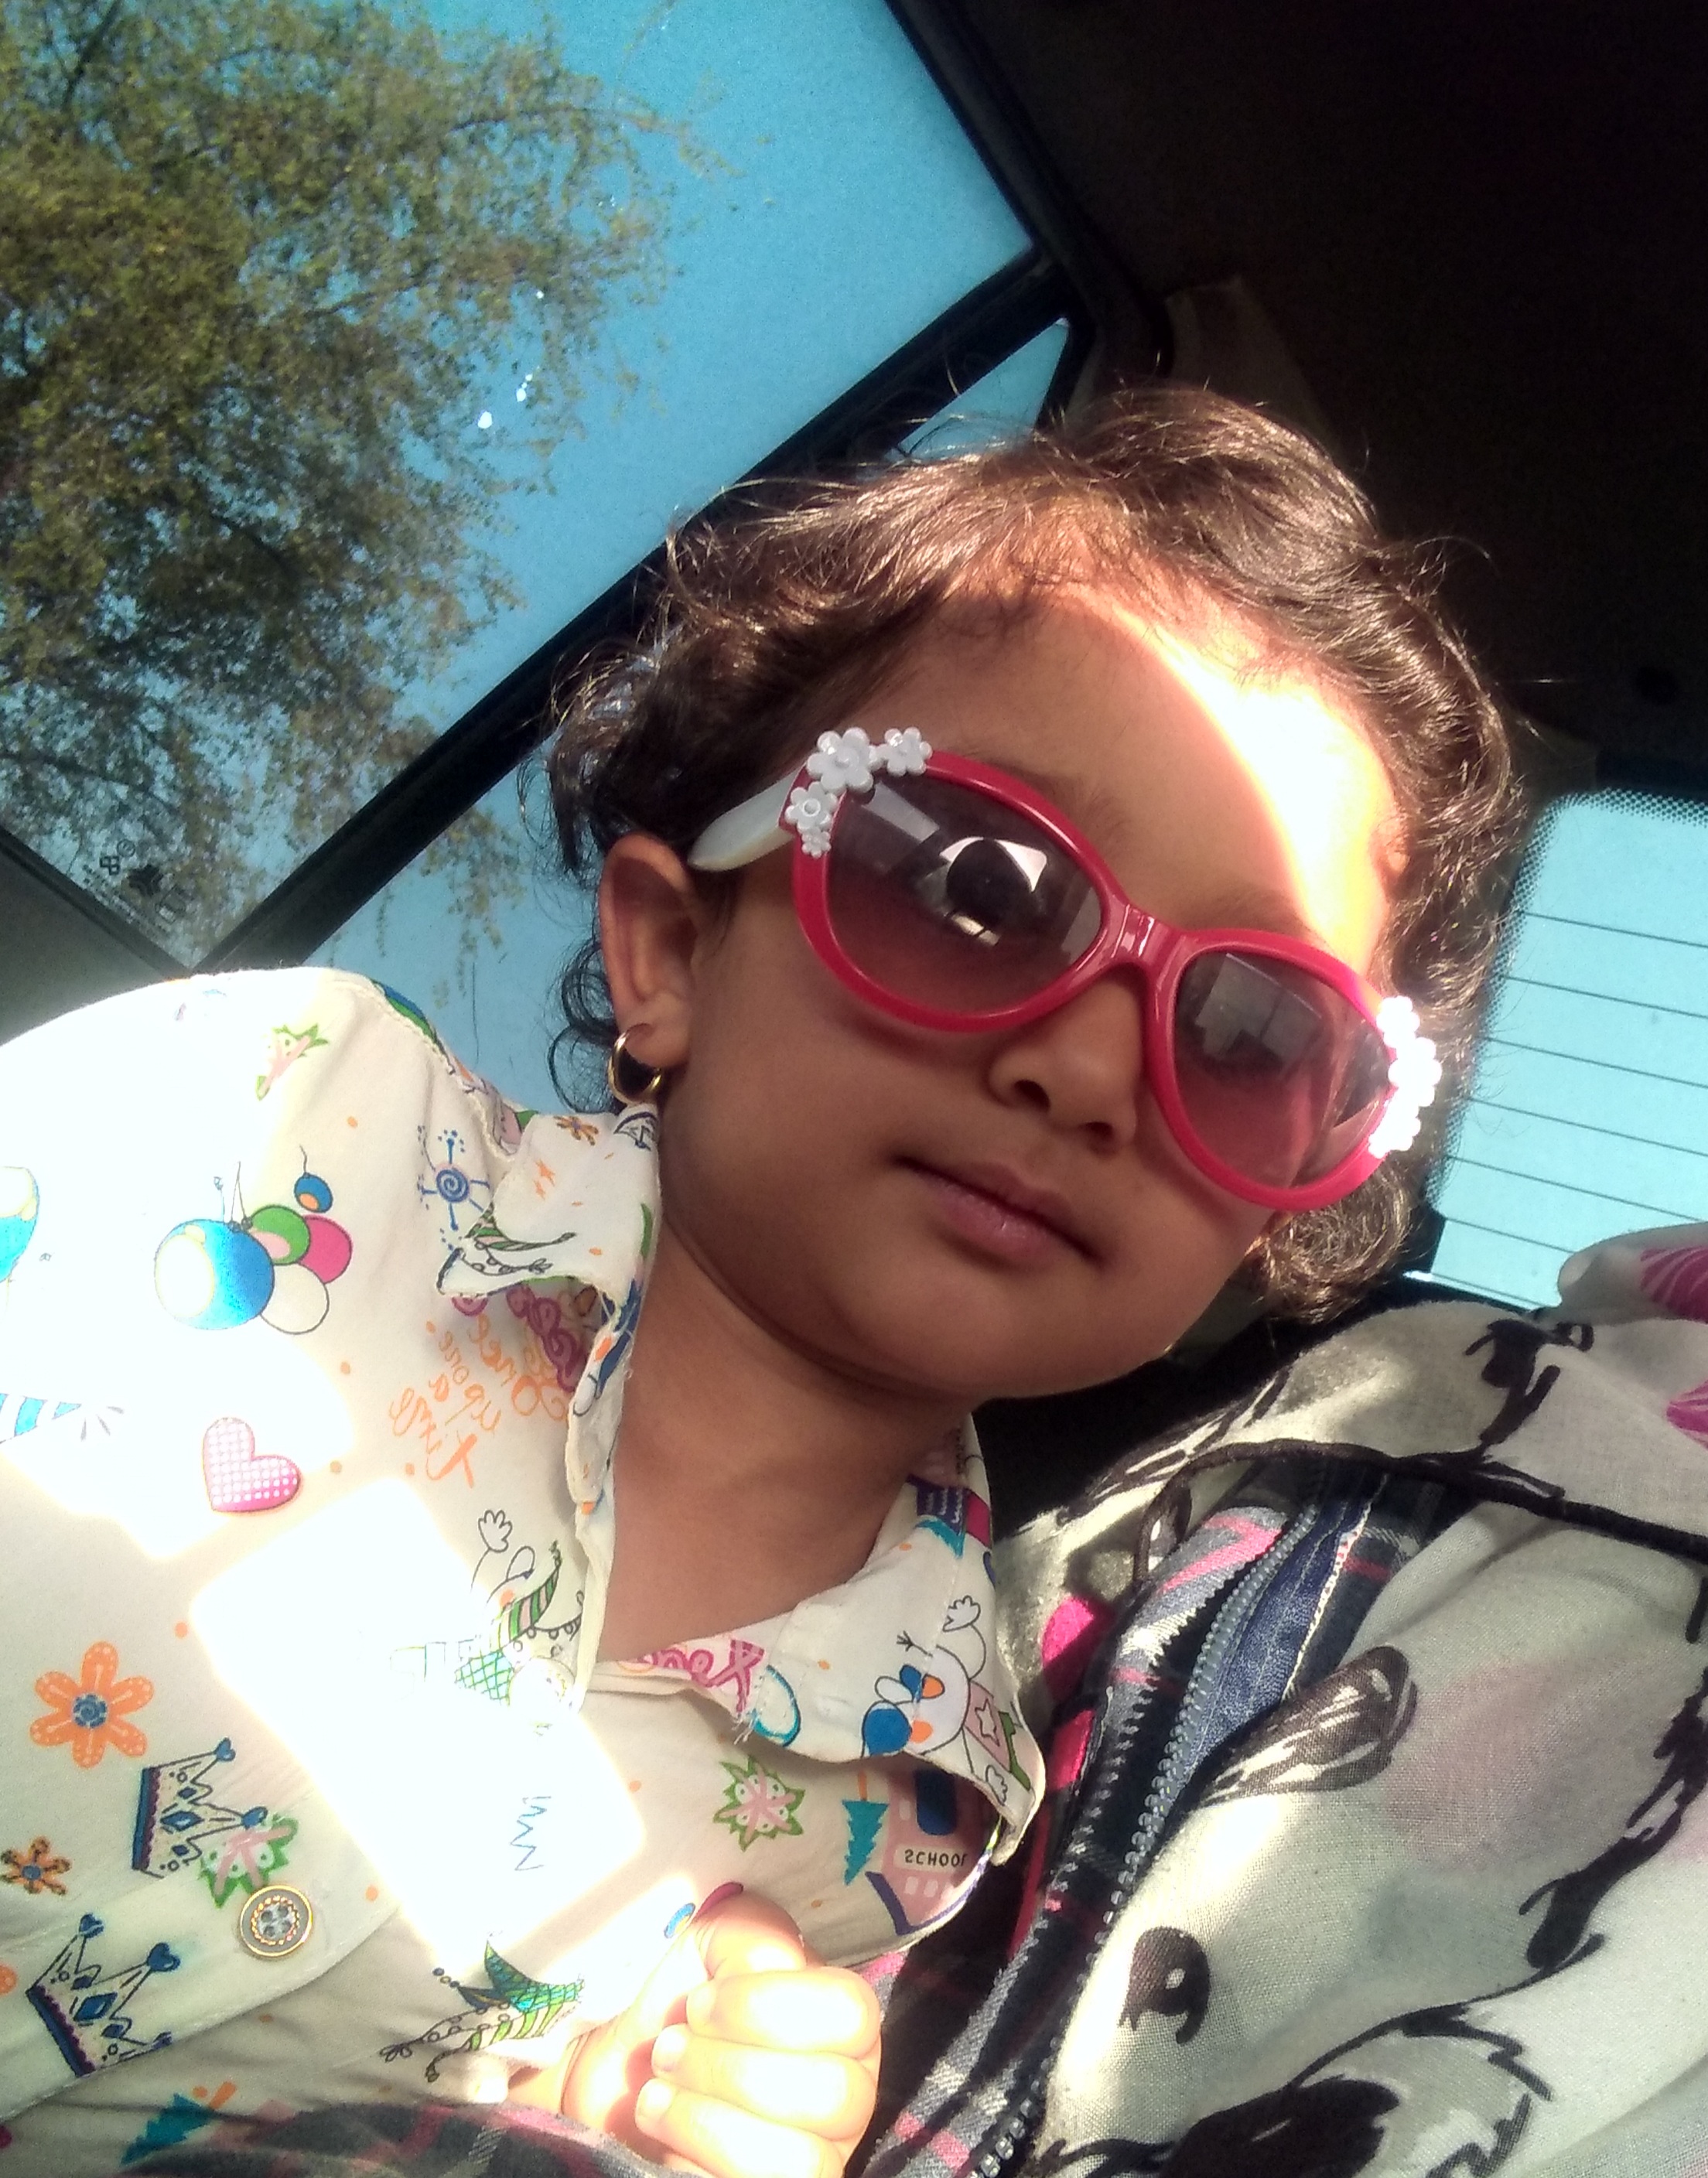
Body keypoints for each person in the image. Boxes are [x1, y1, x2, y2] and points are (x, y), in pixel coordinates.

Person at [0, 386, 1518, 2178]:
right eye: (977, 886)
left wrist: (686, 2101)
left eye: (1251, 1035)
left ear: (1255, 1230)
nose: (1091, 1070)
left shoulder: (928, 1801)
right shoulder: (278, 1124)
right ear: (669, 952)